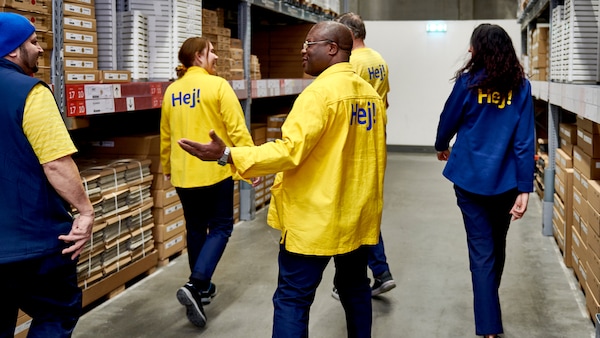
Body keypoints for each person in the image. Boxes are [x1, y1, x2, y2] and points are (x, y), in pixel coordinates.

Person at [178, 21, 387, 338]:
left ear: (332, 48)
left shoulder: (318, 95)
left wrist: (228, 155)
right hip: (355, 216)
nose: (303, 49)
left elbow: (289, 151)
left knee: (292, 299)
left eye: (310, 42)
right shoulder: (370, 96)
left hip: (314, 220)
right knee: (355, 288)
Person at [434, 23, 535, 338]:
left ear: (480, 50)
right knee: (497, 244)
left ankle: (489, 327)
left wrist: (441, 145)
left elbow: (447, 119)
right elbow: (524, 141)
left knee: (482, 251)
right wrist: (524, 187)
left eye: (472, 45)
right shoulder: (522, 87)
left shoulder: (467, 83)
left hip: (469, 181)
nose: (468, 50)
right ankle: (489, 304)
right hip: (505, 183)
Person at [0, 12, 95, 337]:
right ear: (13, 50)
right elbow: (56, 163)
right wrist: (85, 211)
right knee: (56, 312)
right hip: (33, 243)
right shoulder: (31, 92)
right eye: (34, 41)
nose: (41, 49)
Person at [160, 36, 259, 328]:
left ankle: (201, 290)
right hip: (214, 170)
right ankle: (196, 283)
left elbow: (166, 134)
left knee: (195, 228)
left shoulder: (172, 91)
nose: (216, 56)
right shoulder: (218, 86)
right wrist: (248, 166)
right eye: (212, 52)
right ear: (199, 56)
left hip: (183, 174)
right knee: (221, 226)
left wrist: (167, 165)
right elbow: (237, 130)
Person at [333, 11, 395, 299]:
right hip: (376, 135)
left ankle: (362, 276)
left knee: (353, 208)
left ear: (347, 34)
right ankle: (376, 272)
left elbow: (345, 102)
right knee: (365, 205)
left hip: (355, 142)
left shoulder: (351, 63)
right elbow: (385, 100)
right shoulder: (379, 59)